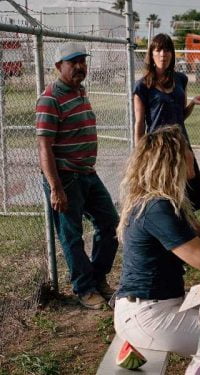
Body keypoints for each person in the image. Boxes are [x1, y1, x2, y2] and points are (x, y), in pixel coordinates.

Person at [114, 126, 200, 355]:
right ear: (173, 160)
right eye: (187, 150)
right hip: (148, 316)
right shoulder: (156, 208)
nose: (192, 154)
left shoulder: (166, 201)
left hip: (163, 305)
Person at [36, 42, 119, 310]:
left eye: (83, 61)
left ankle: (97, 277)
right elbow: (44, 147)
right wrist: (55, 187)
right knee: (71, 237)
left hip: (87, 174)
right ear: (59, 67)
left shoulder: (79, 90)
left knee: (110, 224)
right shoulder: (50, 98)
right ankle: (85, 289)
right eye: (74, 62)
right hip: (65, 178)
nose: (80, 66)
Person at [133, 33, 200, 211]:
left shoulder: (180, 80)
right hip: (159, 149)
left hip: (182, 144)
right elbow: (139, 124)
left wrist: (193, 102)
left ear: (172, 54)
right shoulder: (142, 86)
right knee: (167, 198)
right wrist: (140, 155)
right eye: (158, 50)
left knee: (194, 198)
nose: (163, 54)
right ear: (151, 54)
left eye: (167, 50)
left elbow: (180, 116)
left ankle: (188, 232)